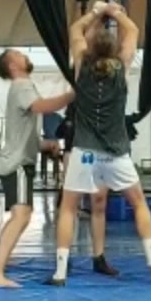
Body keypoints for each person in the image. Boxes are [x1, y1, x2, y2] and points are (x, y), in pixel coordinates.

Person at [51, 2, 151, 285]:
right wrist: (115, 12)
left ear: (89, 46)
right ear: (114, 49)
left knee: (68, 208)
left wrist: (95, 11)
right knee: (139, 203)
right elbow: (133, 31)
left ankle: (60, 272)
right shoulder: (121, 67)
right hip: (115, 154)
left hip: (85, 153)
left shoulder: (81, 66)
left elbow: (75, 30)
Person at [0, 51, 73, 288]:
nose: (25, 56)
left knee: (22, 215)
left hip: (18, 161)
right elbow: (42, 106)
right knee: (21, 215)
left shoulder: (24, 86)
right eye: (19, 55)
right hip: (18, 164)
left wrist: (45, 145)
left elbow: (24, 132)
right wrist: (72, 95)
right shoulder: (22, 85)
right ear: (13, 66)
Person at [56, 103, 119, 278]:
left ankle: (99, 257)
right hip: (75, 148)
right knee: (70, 205)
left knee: (99, 204)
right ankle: (63, 257)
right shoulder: (78, 99)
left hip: (100, 150)